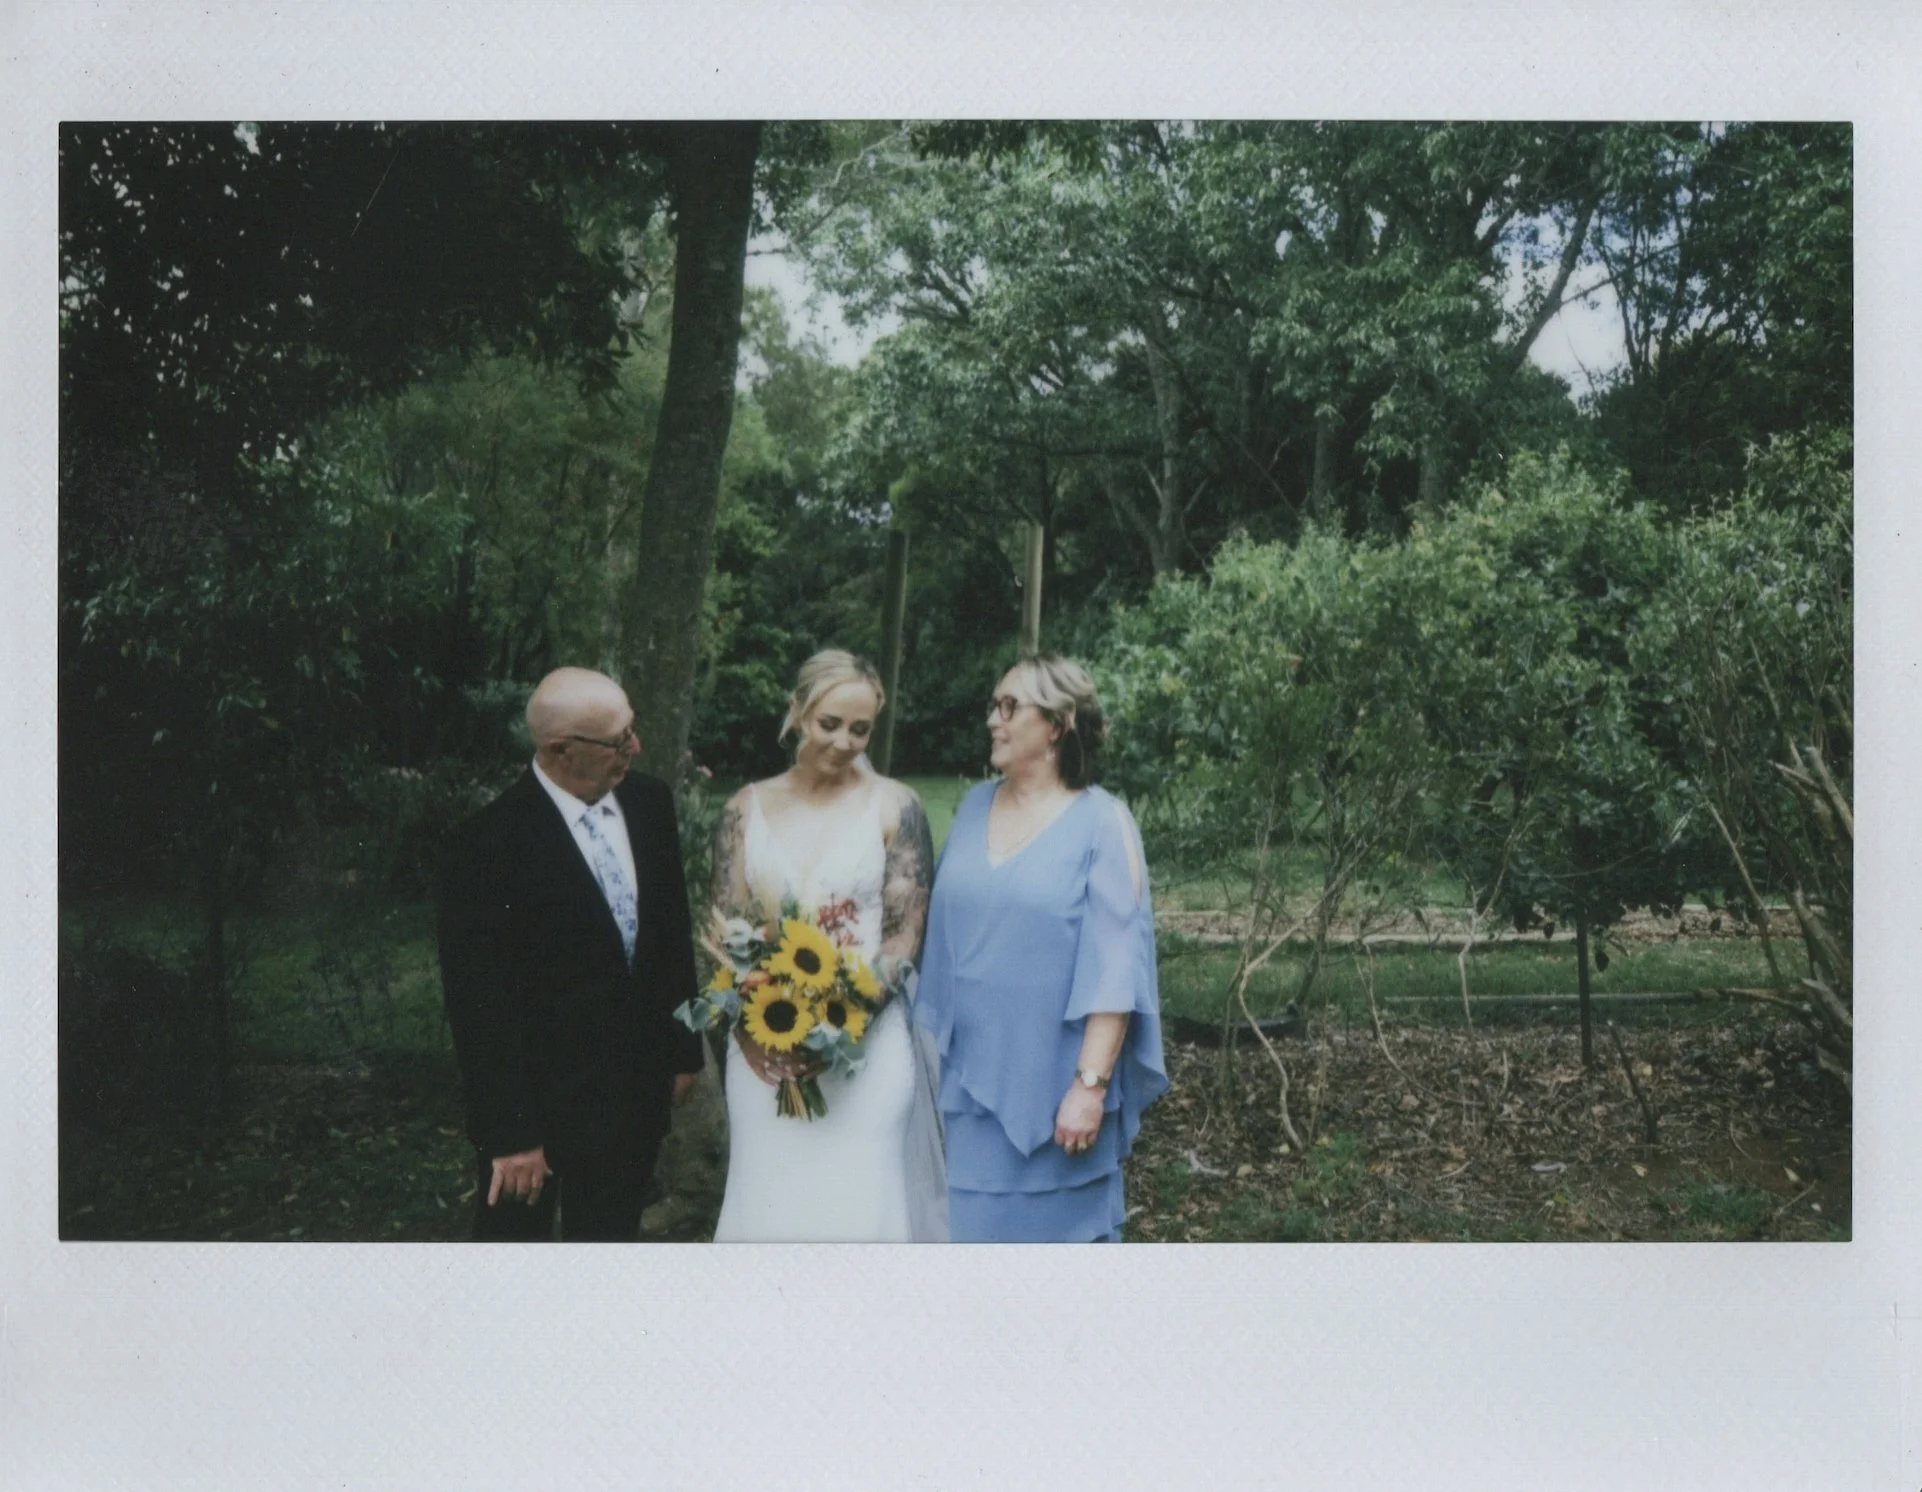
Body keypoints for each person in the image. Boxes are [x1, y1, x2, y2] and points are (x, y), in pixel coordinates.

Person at [438, 667, 705, 1241]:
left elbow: (670, 934)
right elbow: (479, 1009)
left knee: (608, 1253)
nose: (634, 747)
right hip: (537, 1107)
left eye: (631, 731)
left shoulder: (649, 803)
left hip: (632, 1094)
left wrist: (683, 1049)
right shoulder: (484, 847)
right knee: (515, 1263)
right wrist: (511, 1137)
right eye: (618, 740)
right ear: (560, 750)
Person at [915, 653, 1167, 1242]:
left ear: (1057, 724)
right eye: (992, 706)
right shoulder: (974, 805)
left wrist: (1090, 1087)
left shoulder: (1103, 823)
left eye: (1010, 707)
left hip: (1060, 1096)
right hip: (971, 1090)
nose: (993, 721)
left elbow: (1115, 966)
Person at [708, 650, 947, 1241]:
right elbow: (725, 932)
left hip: (866, 1050)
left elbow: (903, 937)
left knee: (860, 1208)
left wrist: (839, 1028)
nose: (845, 742)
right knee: (769, 1206)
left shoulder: (896, 806)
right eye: (829, 723)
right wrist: (754, 1033)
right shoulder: (744, 808)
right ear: (797, 711)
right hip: (766, 1052)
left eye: (860, 728)